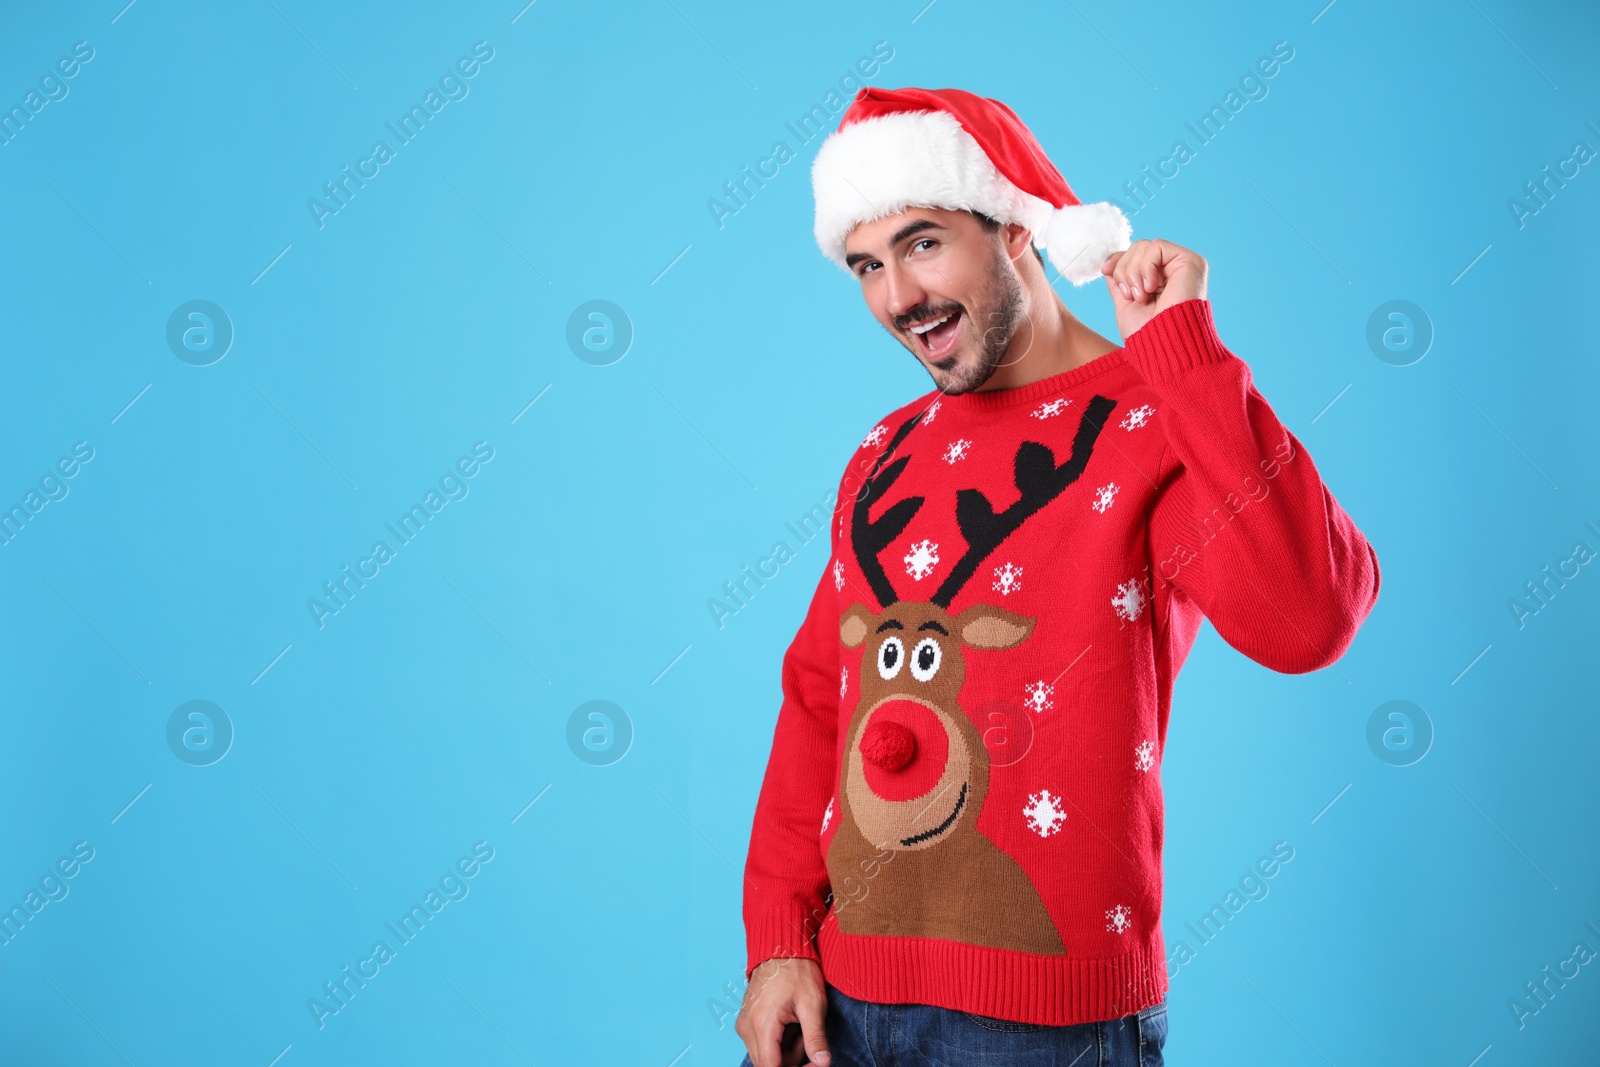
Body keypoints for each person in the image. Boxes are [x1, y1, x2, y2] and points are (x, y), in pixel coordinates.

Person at [734, 86, 1380, 1067]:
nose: (896, 296)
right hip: (837, 1001)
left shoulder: (1160, 418)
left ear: (1015, 230)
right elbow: (820, 704)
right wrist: (778, 939)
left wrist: (1183, 354)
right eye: (866, 264)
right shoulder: (882, 452)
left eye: (922, 242)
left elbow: (1308, 618)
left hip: (1045, 1028)